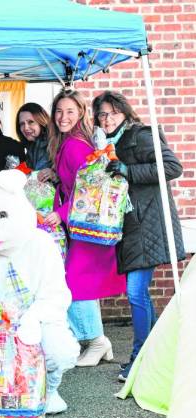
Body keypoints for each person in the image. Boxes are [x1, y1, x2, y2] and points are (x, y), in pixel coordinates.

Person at [92, 90, 185, 381]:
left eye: (112, 113)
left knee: (135, 292)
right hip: (129, 226)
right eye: (102, 114)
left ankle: (139, 359)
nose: (106, 119)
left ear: (125, 113)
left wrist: (128, 170)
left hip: (148, 224)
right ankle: (152, 356)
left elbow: (172, 167)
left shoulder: (141, 135)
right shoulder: (109, 142)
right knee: (137, 293)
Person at [43, 88, 126, 367]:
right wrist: (55, 174)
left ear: (80, 113)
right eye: (58, 111)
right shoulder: (68, 142)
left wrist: (60, 213)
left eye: (69, 111)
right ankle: (97, 341)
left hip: (83, 223)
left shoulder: (76, 144)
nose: (63, 117)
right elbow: (75, 179)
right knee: (78, 283)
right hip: (80, 224)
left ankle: (96, 341)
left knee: (75, 284)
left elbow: (90, 186)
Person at [15, 102, 57, 182]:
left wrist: (55, 175)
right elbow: (31, 172)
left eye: (31, 122)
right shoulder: (31, 145)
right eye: (22, 124)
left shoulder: (55, 142)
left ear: (41, 121)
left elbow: (74, 172)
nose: (26, 128)